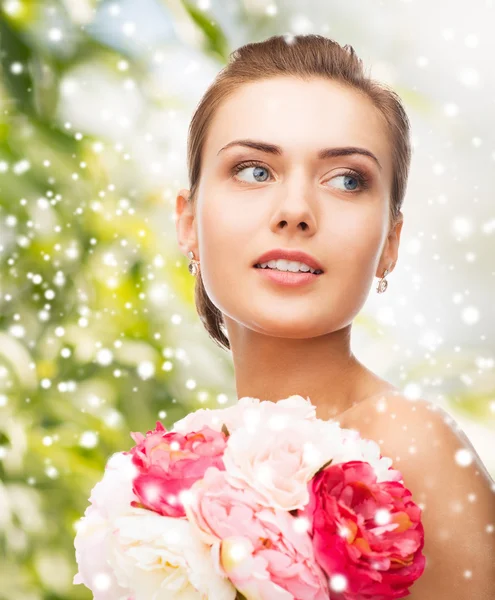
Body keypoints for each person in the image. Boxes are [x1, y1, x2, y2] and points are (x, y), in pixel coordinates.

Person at [175, 34, 494, 600]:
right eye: (253, 170)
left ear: (390, 242)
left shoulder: (410, 446)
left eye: (347, 179)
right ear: (188, 221)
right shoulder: (188, 464)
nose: (296, 211)